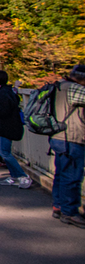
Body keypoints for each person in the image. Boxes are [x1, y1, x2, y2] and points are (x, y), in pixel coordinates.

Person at [51, 64, 85, 228]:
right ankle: (69, 211)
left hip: (57, 136)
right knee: (72, 176)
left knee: (61, 173)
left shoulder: (59, 86)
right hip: (71, 136)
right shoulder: (75, 89)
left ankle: (58, 206)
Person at [0, 70, 32, 189]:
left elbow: (2, 111)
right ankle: (14, 176)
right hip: (9, 125)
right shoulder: (7, 91)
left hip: (6, 126)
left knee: (5, 152)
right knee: (4, 151)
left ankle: (22, 176)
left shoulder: (2, 93)